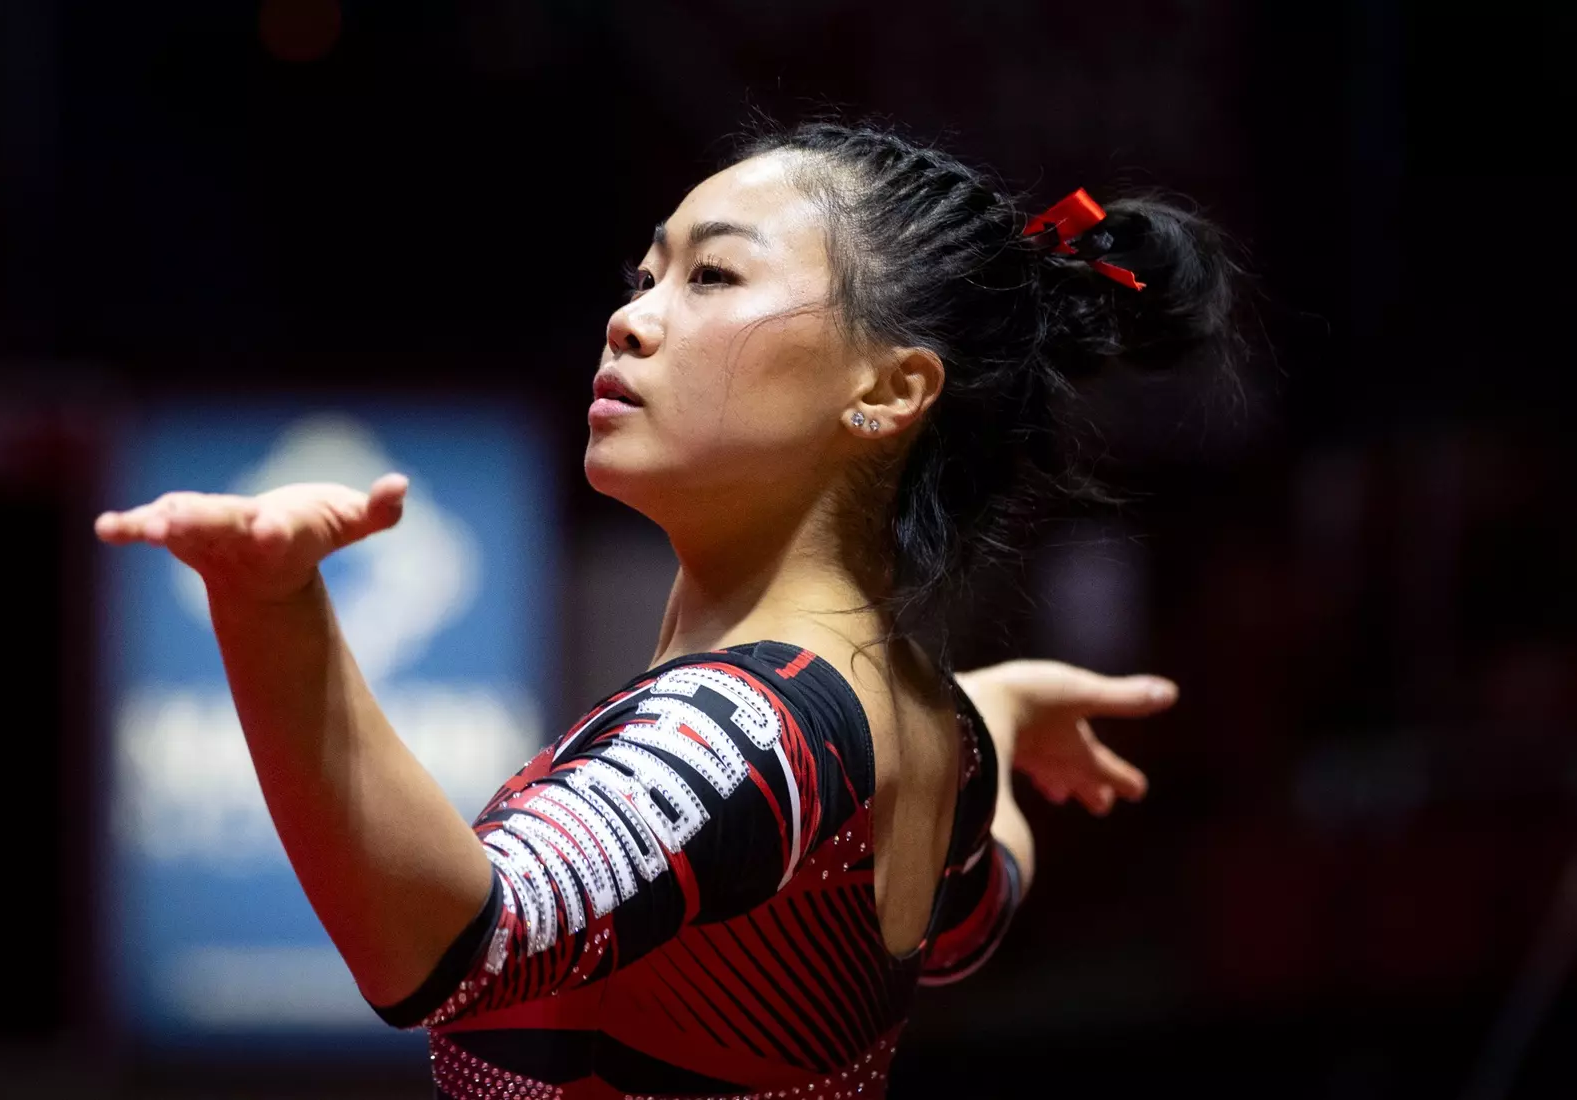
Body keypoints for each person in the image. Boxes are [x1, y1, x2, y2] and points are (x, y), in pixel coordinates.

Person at [95, 120, 1236, 1099]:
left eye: (713, 278)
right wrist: (1002, 700)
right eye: (647, 278)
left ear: (889, 390)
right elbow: (976, 906)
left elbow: (451, 939)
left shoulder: (753, 729)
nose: (633, 318)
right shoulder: (928, 733)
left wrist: (274, 608)